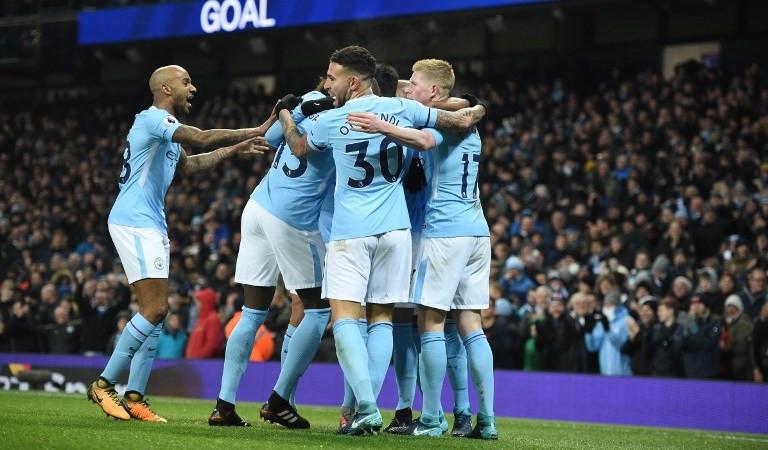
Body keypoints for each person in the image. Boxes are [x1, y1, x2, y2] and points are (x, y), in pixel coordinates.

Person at [277, 46, 486, 436]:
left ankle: (366, 407)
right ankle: (391, 407)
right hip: (397, 231)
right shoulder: (403, 109)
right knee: (383, 320)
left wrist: (287, 115)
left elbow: (299, 147)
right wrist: (477, 106)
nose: (328, 85)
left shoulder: (332, 119)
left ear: (353, 82)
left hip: (350, 232)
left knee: (345, 318)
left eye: (333, 77)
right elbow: (456, 118)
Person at [87, 65, 273, 423]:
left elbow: (191, 164)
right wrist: (257, 129)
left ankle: (135, 397)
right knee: (154, 309)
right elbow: (200, 138)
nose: (194, 87)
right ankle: (103, 384)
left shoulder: (166, 132)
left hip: (150, 222)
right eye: (186, 82)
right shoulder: (154, 119)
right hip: (134, 220)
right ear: (166, 89)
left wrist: (236, 148)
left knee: (156, 315)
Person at [346, 58, 496, 438]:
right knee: (470, 325)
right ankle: (486, 420)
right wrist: (473, 104)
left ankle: (431, 419)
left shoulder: (439, 125)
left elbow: (427, 132)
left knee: (429, 324)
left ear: (434, 91)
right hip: (477, 231)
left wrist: (381, 124)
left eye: (414, 83)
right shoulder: (467, 123)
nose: (408, 88)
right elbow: (457, 106)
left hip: (443, 233)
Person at [208, 79, 336, 429]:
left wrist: (291, 110)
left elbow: (271, 138)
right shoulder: (341, 117)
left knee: (251, 312)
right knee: (318, 310)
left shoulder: (304, 106)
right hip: (292, 216)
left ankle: (224, 405)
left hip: (257, 206)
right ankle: (281, 399)